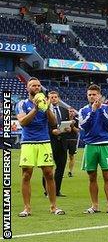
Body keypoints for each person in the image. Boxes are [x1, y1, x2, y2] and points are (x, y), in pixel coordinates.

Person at [15, 77, 65, 217]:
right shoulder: (22, 104)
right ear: (27, 88)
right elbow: (23, 122)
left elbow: (54, 122)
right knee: (26, 175)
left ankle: (54, 207)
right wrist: (36, 109)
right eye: (33, 85)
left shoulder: (45, 103)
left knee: (49, 173)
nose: (36, 88)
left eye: (38, 85)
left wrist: (47, 108)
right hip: (28, 142)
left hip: (44, 141)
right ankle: (27, 208)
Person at [79, 84, 108, 214]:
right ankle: (94, 205)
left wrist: (99, 109)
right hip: (90, 145)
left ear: (99, 95)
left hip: (105, 144)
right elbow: (84, 126)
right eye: (89, 94)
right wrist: (93, 111)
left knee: (107, 175)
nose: (92, 96)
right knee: (92, 177)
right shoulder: (83, 110)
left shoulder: (107, 108)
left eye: (94, 94)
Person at [41, 91, 78, 197]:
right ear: (48, 99)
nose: (53, 99)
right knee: (47, 168)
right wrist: (52, 131)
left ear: (58, 98)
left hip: (62, 141)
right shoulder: (44, 111)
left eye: (55, 97)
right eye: (51, 97)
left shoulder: (64, 110)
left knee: (61, 166)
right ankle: (47, 190)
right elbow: (43, 125)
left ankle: (56, 190)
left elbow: (69, 128)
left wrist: (70, 125)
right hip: (49, 141)